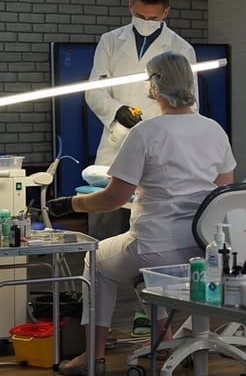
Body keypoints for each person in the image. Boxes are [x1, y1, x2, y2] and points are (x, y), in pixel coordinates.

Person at [47, 52, 235, 375]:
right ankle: (166, 340)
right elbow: (222, 193)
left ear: (154, 88)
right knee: (142, 268)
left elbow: (112, 198)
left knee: (96, 260)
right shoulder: (214, 130)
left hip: (153, 248)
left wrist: (72, 205)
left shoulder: (146, 133)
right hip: (201, 250)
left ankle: (93, 356)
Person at [85, 0, 198, 241]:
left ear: (165, 13)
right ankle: (99, 278)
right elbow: (94, 89)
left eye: (152, 17)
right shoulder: (110, 41)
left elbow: (190, 103)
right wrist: (117, 111)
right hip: (116, 144)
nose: (145, 21)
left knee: (150, 231)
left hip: (158, 149)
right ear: (130, 6)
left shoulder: (182, 49)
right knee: (105, 228)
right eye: (139, 15)